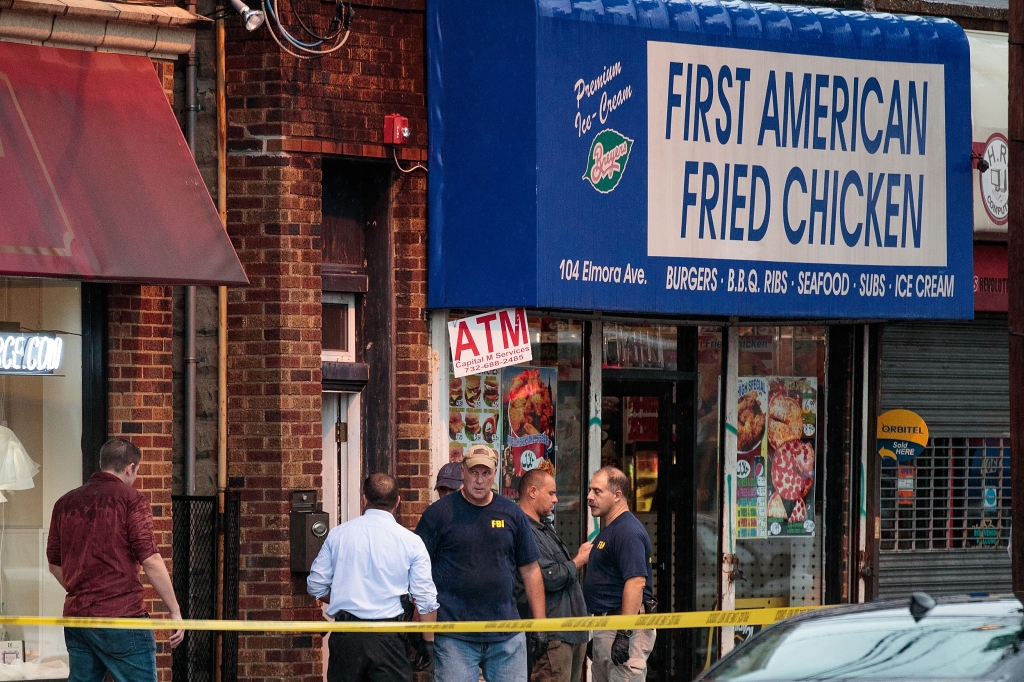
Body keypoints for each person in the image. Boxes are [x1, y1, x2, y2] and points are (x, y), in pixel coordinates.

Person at [46, 437, 184, 682]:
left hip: (79, 620)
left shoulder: (65, 503)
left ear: (103, 464)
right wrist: (174, 611)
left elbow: (54, 564)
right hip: (123, 617)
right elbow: (150, 559)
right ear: (130, 467)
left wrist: (82, 591)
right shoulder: (132, 500)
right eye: (137, 471)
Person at [415, 444, 546, 682]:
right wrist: (425, 633)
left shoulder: (512, 513)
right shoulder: (439, 514)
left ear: (494, 474)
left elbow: (530, 570)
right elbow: (418, 573)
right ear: (462, 472)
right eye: (473, 472)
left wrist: (540, 626)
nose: (479, 480)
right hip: (454, 633)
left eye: (485, 473)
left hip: (506, 632)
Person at [307, 473, 439, 682]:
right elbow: (426, 600)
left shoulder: (338, 535)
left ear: (364, 499)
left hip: (346, 637)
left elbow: (315, 586)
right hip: (389, 639)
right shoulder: (411, 542)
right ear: (398, 501)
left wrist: (345, 598)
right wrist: (428, 643)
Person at [515, 468, 591, 682]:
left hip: (571, 631)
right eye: (551, 493)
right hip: (553, 635)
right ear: (532, 492)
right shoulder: (524, 530)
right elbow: (547, 576)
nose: (556, 499)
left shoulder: (543, 528)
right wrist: (578, 560)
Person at [582, 467, 655, 682]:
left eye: (597, 491)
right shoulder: (612, 528)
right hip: (606, 627)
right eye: (589, 490)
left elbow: (636, 582)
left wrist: (624, 633)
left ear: (617, 495)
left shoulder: (627, 531)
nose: (589, 497)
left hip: (622, 628)